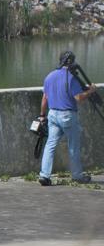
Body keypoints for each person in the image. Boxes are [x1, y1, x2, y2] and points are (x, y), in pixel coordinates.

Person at [38, 50, 97, 185]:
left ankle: (44, 175)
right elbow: (79, 98)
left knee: (50, 145)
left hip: (52, 114)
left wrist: (42, 115)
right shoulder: (71, 77)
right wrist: (91, 91)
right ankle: (77, 176)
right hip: (67, 115)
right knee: (73, 146)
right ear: (72, 62)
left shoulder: (49, 76)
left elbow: (44, 98)